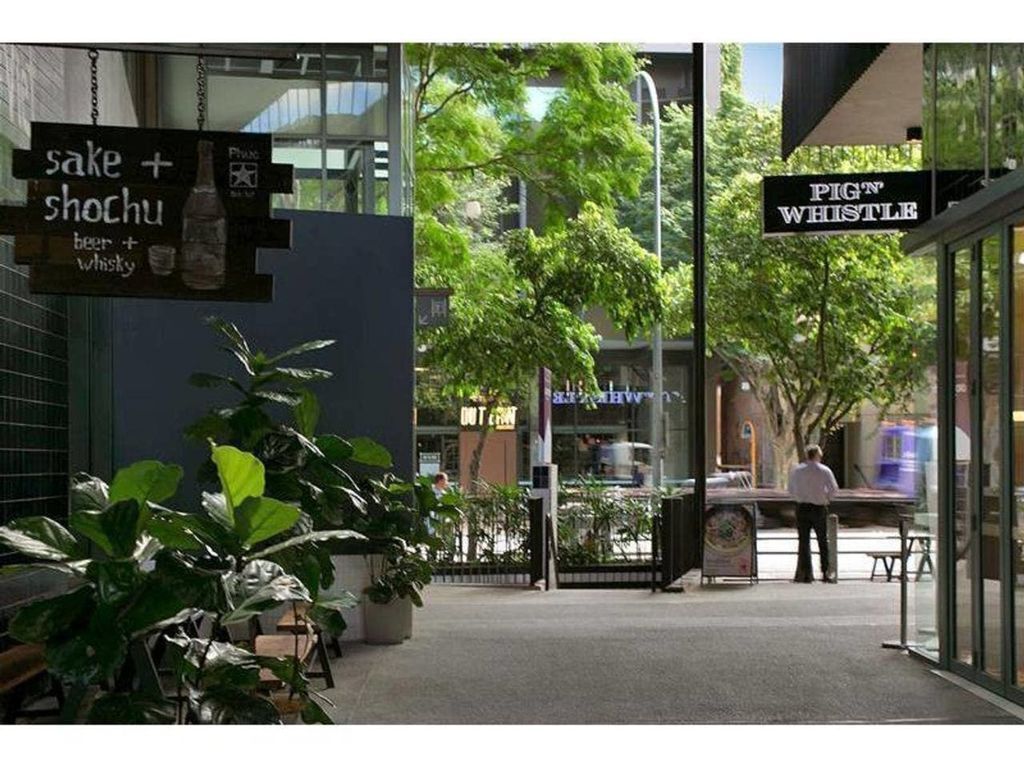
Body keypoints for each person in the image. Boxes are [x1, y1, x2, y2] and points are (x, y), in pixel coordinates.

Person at [787, 444, 838, 583]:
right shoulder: (825, 470)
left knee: (803, 542)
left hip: (802, 508)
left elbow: (791, 490)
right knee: (822, 541)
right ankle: (826, 572)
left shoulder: (797, 471)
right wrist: (826, 498)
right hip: (819, 508)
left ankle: (806, 574)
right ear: (817, 455)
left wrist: (799, 497)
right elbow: (833, 489)